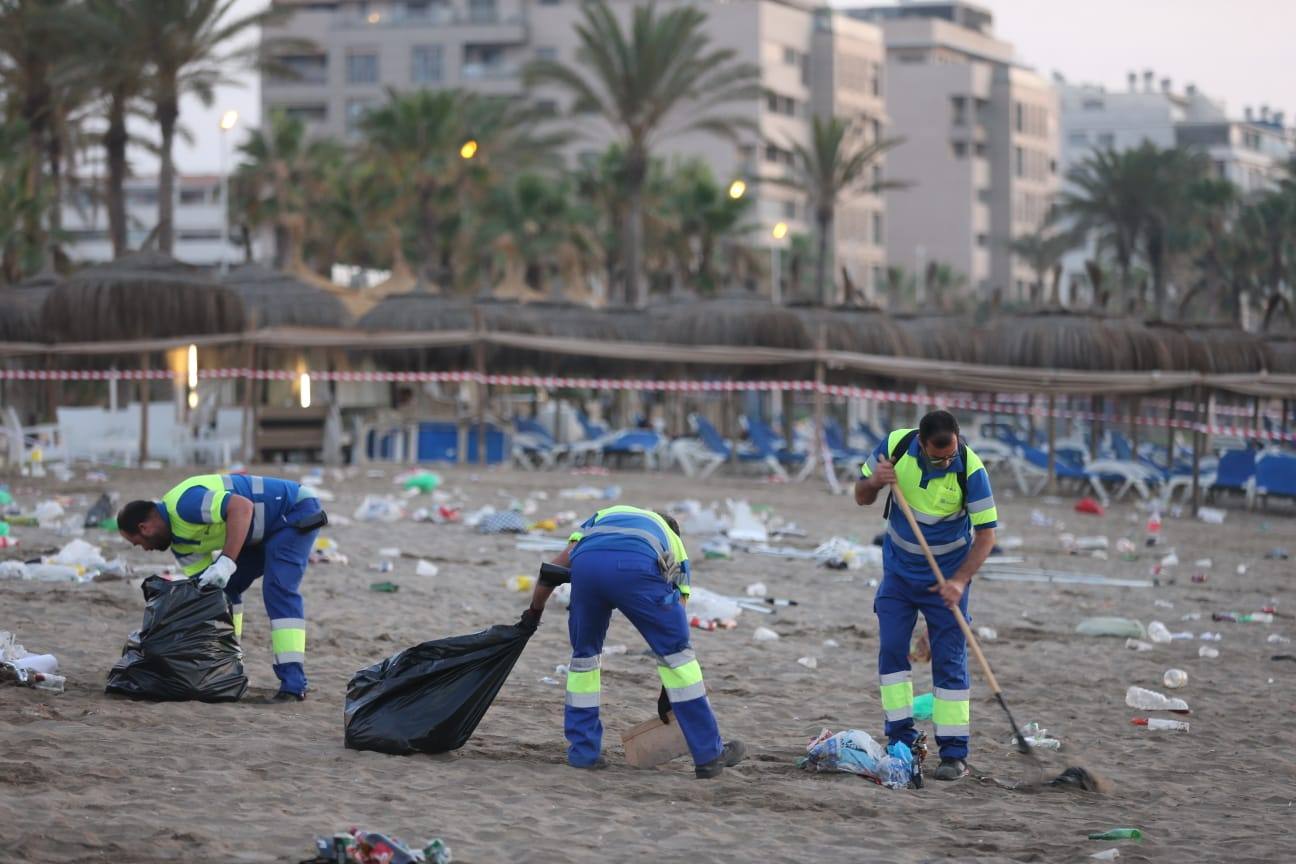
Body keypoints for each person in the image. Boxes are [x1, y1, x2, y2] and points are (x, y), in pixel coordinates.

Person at [519, 505, 746, 778]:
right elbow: (677, 627)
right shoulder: (674, 544)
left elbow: (552, 570)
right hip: (636, 568)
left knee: (584, 660)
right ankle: (709, 756)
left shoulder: (601, 517)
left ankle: (584, 753)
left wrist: (533, 612)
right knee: (679, 659)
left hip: (587, 567)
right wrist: (669, 688)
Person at [855, 410, 997, 781]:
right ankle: (900, 740)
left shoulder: (971, 469)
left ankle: (953, 754)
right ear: (921, 442)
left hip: (947, 581)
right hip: (899, 577)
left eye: (951, 452)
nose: (946, 460)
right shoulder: (895, 447)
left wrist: (961, 581)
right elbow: (860, 495)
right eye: (939, 456)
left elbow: (986, 536)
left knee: (949, 662)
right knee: (892, 653)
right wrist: (876, 483)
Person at [117, 473, 327, 703]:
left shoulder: (184, 505)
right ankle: (228, 667)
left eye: (138, 543)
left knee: (278, 589)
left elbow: (242, 508)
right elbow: (208, 595)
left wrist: (227, 561)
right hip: (255, 532)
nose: (145, 549)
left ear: (144, 528)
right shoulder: (182, 547)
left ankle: (294, 686)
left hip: (293, 510)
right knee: (225, 591)